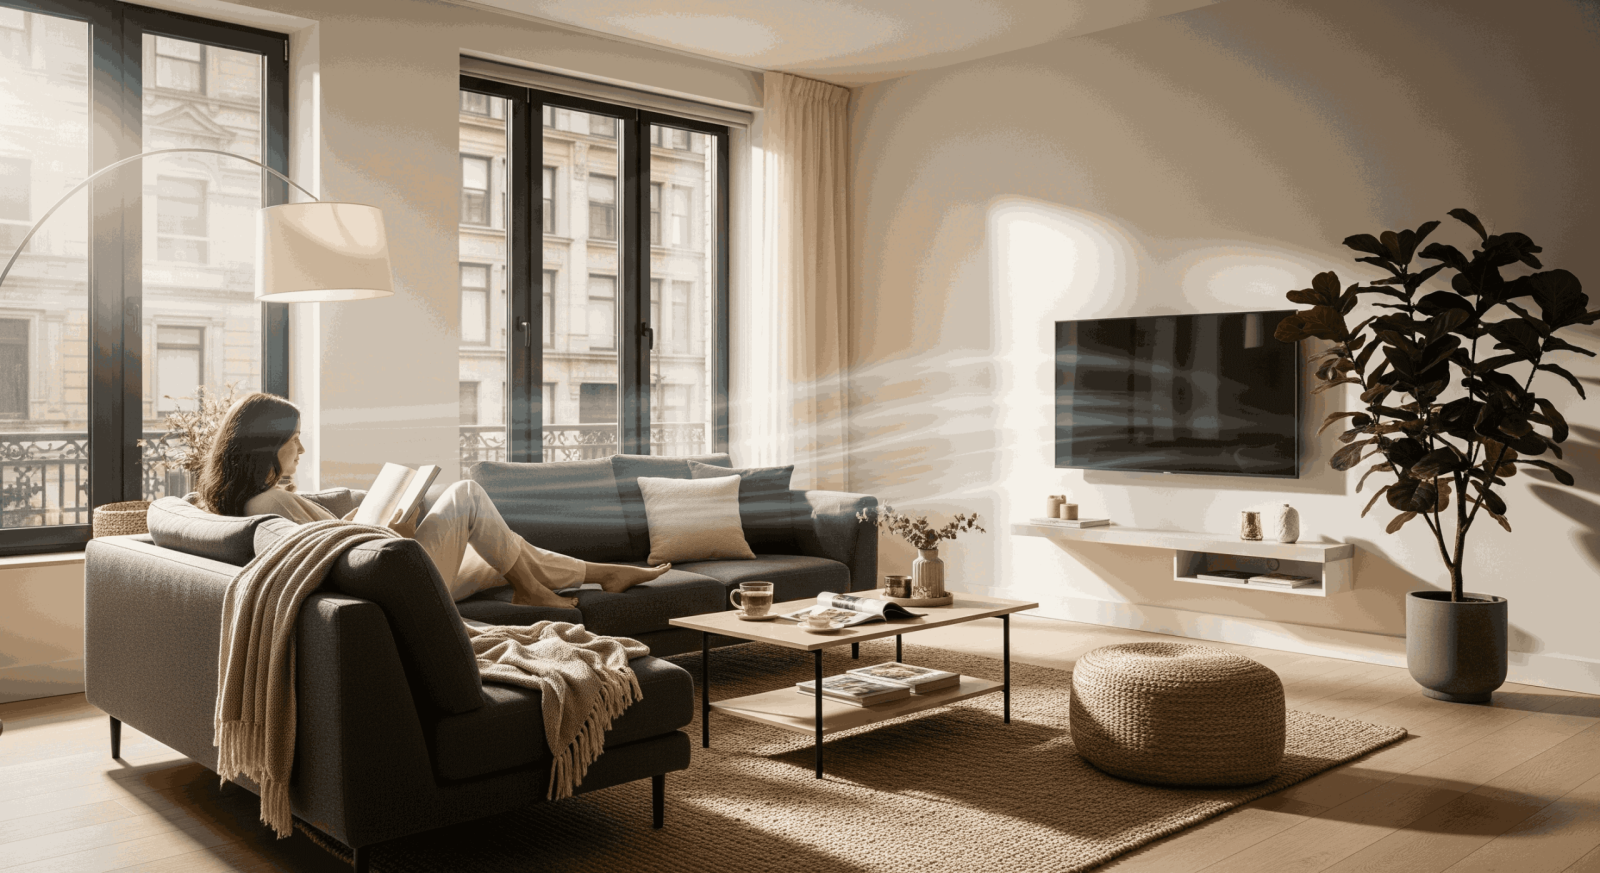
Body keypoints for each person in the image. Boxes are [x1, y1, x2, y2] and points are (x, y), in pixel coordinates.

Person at [197, 392, 669, 607]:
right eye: (294, 439)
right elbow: (332, 566)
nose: (302, 449)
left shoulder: (260, 501)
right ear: (265, 445)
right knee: (466, 494)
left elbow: (328, 544)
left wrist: (367, 517)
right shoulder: (270, 506)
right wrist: (392, 531)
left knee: (500, 551)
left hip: (381, 572)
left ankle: (603, 574)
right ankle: (534, 592)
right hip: (389, 586)